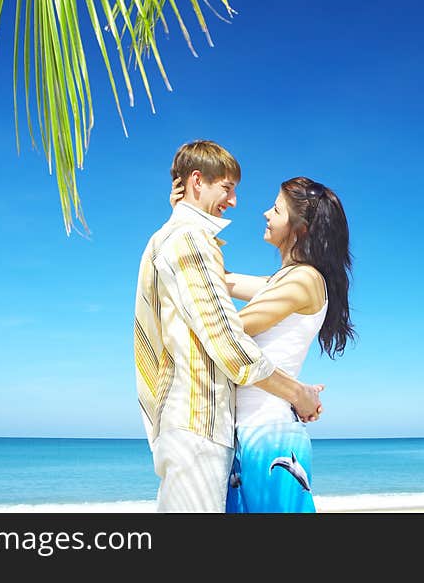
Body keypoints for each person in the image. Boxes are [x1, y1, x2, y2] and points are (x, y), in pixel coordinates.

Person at [134, 139, 325, 513]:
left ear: (299, 227)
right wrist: (299, 394)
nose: (237, 202)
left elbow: (219, 285)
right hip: (201, 423)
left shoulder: (173, 240)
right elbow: (227, 339)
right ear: (196, 181)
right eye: (227, 188)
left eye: (275, 209)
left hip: (220, 428)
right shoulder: (188, 240)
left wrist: (186, 214)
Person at [170, 174, 355, 513]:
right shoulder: (284, 280)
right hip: (247, 435)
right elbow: (220, 281)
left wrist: (298, 393)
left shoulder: (304, 279)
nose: (266, 214)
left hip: (269, 437)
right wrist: (186, 216)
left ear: (300, 228)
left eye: (276, 210)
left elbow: (227, 333)